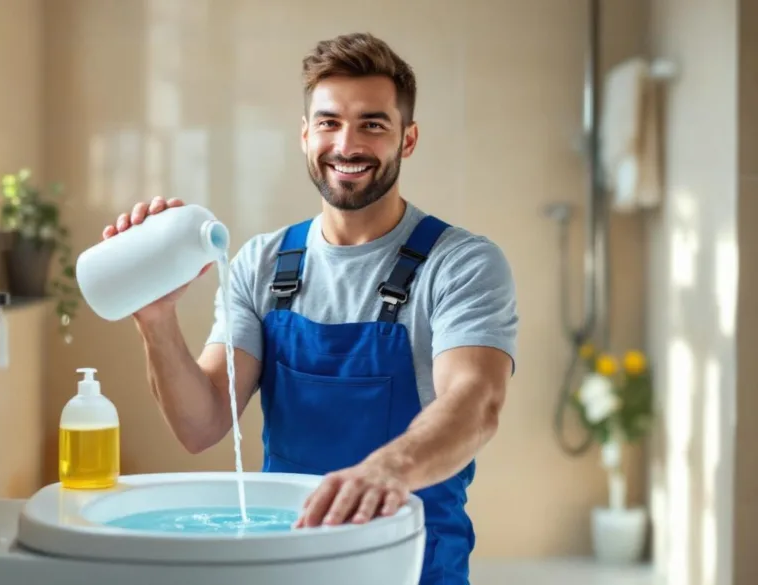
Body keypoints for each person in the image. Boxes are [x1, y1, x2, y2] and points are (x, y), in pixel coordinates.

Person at [100, 32, 518, 584]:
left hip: (412, 565)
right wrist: (156, 321)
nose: (347, 145)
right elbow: (200, 425)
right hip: (287, 562)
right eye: (329, 122)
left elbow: (475, 401)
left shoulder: (461, 263)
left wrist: (386, 471)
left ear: (407, 139)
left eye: (373, 123)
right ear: (305, 135)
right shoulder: (262, 262)